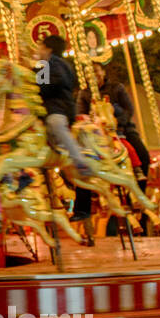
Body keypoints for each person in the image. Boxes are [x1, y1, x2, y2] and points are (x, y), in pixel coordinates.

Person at [72, 63, 149, 220]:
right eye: (89, 72)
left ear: (103, 72)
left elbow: (129, 110)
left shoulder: (116, 88)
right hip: (96, 133)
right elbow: (80, 114)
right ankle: (84, 206)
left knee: (143, 155)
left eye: (96, 71)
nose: (93, 75)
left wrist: (116, 122)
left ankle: (138, 196)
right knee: (80, 161)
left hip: (122, 129)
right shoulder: (84, 94)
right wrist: (93, 125)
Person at [36, 34, 93, 182]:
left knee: (56, 124)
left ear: (48, 49)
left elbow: (55, 82)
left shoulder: (57, 64)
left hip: (59, 109)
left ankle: (80, 161)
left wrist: (39, 85)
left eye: (41, 47)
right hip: (48, 109)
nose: (39, 50)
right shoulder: (45, 65)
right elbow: (39, 81)